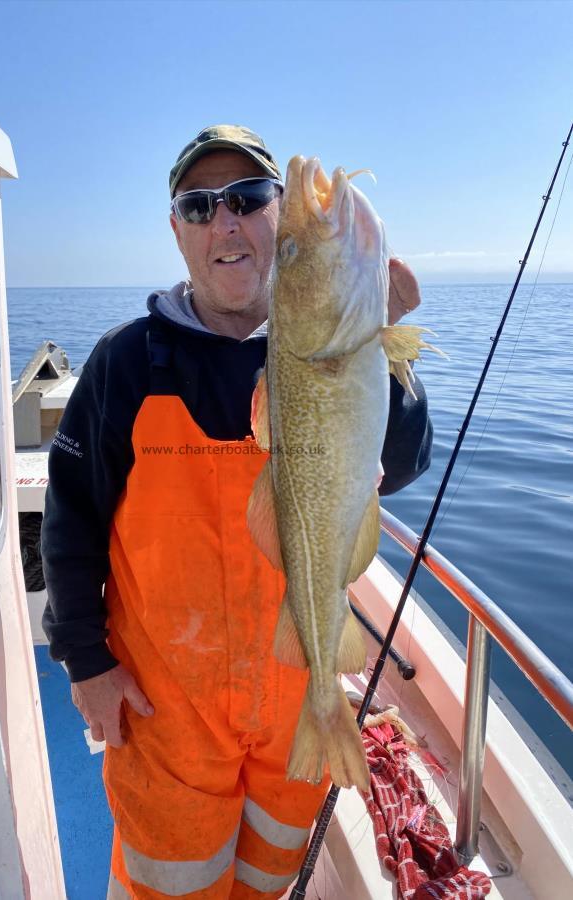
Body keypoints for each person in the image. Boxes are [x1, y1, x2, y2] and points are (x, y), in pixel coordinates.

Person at [41, 125, 433, 900]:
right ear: (177, 231)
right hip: (167, 709)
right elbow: (69, 523)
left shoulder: (333, 343)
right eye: (198, 205)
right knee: (169, 881)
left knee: (269, 873)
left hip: (293, 700)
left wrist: (390, 352)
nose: (225, 221)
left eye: (249, 200)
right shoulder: (124, 362)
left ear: (277, 219)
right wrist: (86, 664)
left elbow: (403, 464)